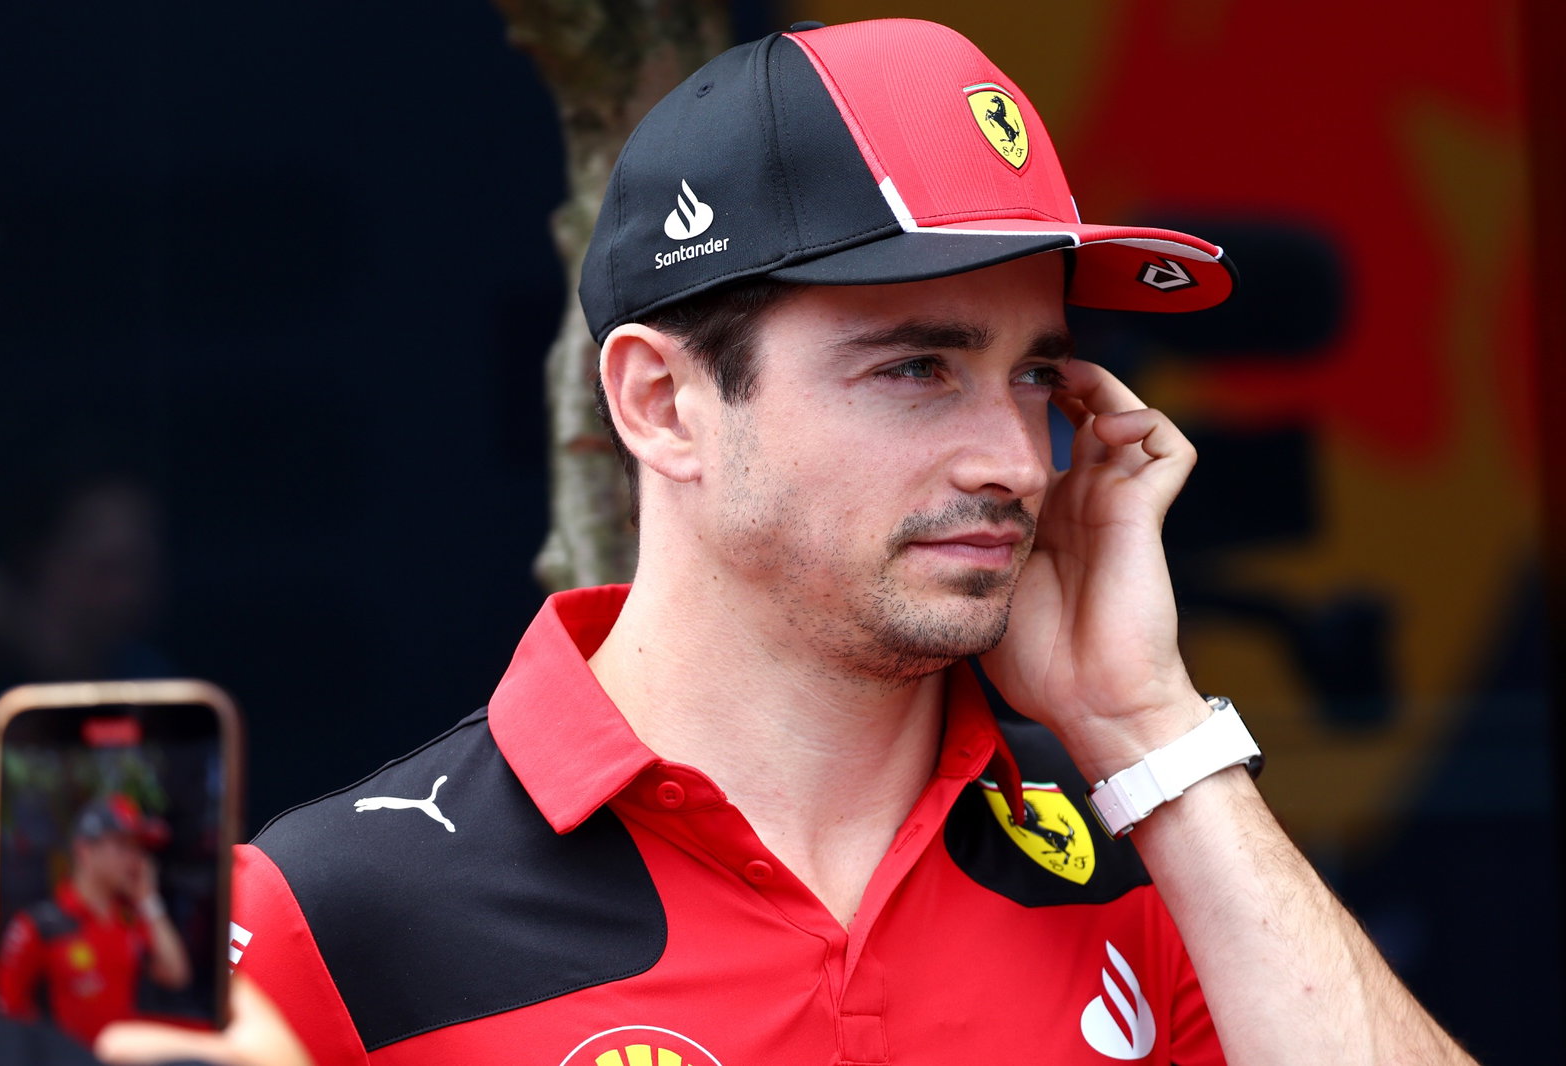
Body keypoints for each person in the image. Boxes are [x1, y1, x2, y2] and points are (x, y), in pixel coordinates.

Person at [97, 17, 1473, 1066]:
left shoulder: (1149, 851)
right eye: (917, 369)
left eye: (1039, 376)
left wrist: (1143, 722)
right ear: (662, 401)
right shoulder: (333, 913)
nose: (1012, 457)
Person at [0, 794, 192, 1047]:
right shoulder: (39, 926)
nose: (135, 860)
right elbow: (6, 1015)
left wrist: (149, 900)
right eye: (123, 846)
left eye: (138, 848)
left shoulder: (131, 916)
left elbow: (175, 975)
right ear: (85, 850)